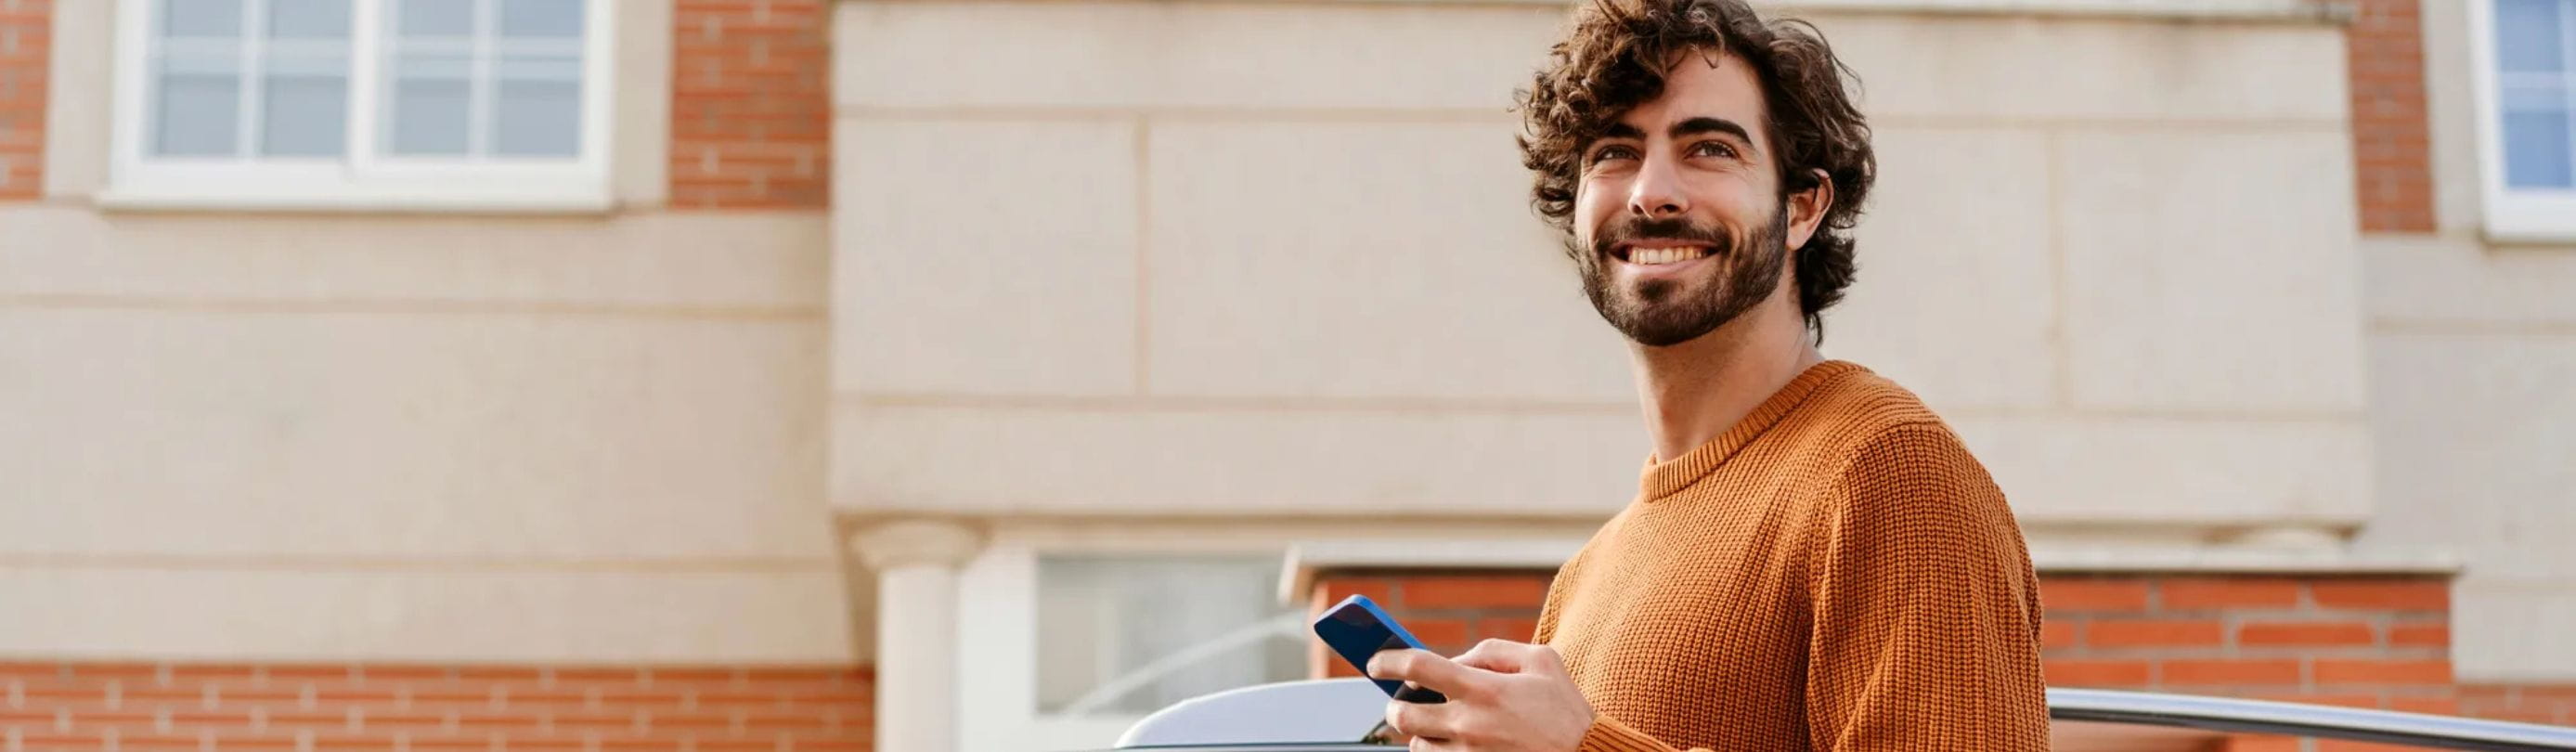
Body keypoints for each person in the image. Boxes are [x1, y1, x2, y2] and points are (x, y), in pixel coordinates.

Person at [1363, 0, 2051, 749]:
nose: (1650, 191)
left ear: (1800, 209)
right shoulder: (1589, 574)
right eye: (1613, 152)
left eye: (1709, 149)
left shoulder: (1888, 471)